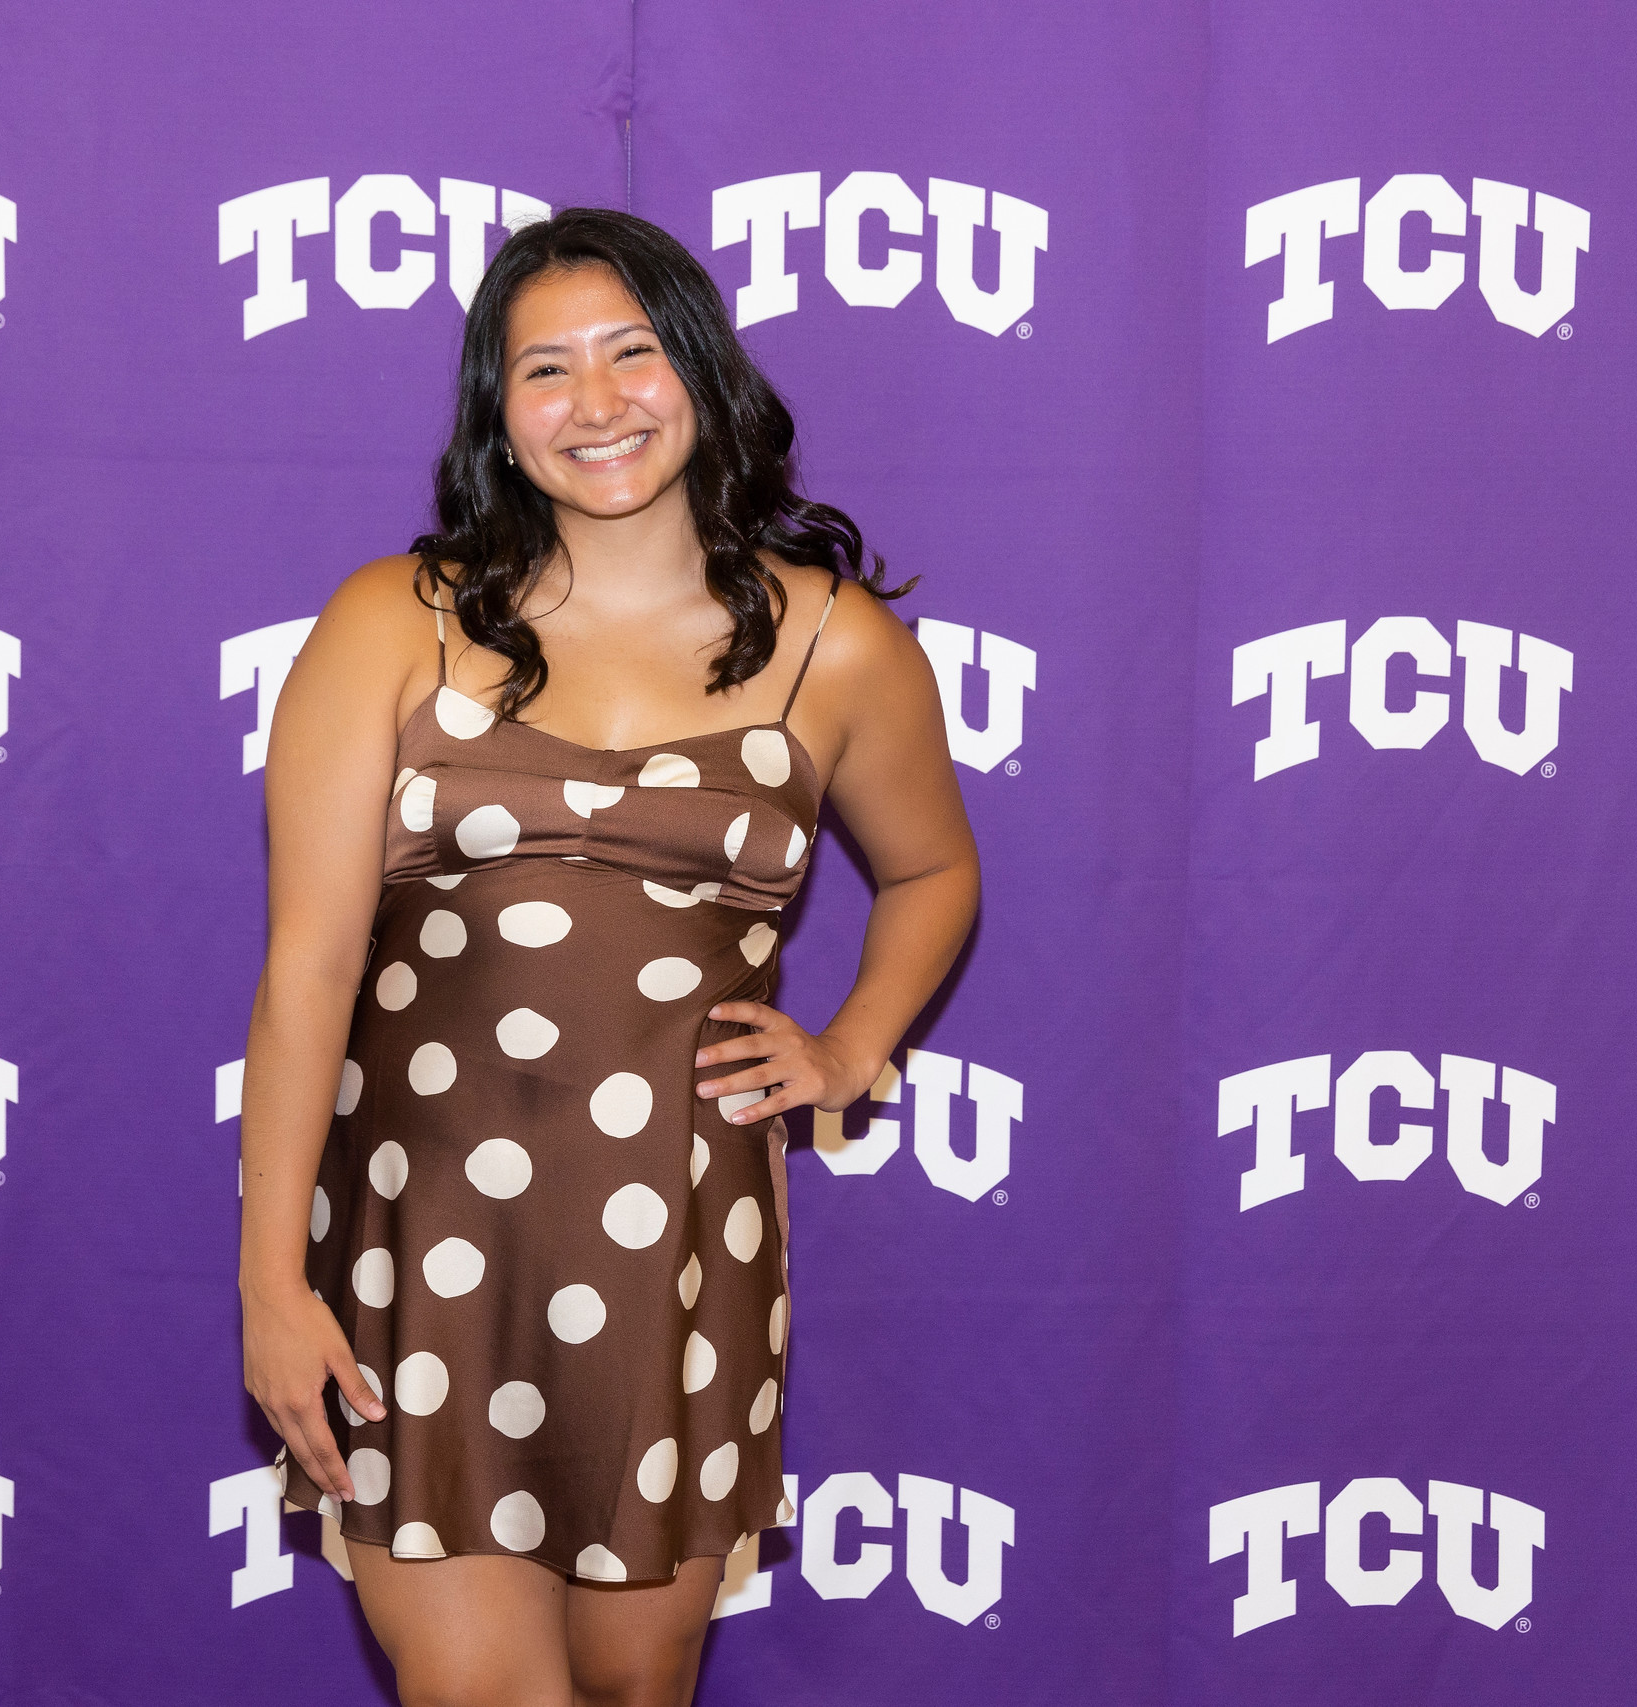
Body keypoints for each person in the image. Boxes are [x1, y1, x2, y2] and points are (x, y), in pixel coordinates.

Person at [236, 207, 978, 1707]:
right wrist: (270, 1287)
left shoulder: (837, 644)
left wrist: (849, 1048)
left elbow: (935, 872)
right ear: (497, 420)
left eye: (634, 353)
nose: (598, 403)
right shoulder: (394, 621)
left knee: (638, 1688)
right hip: (422, 1240)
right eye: (545, 370)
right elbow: (308, 970)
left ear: (699, 370)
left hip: (682, 1253)